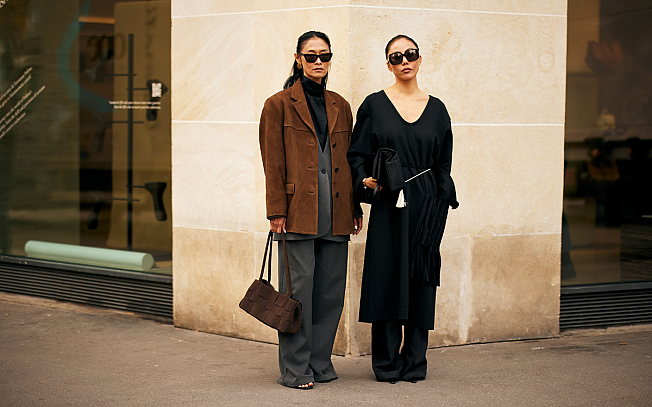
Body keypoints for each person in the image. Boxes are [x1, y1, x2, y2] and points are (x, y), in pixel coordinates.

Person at [347, 34, 459, 383]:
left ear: (420, 59)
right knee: (386, 276)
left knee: (420, 278)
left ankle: (414, 362)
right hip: (388, 202)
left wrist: (440, 200)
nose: (404, 61)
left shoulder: (437, 109)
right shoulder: (374, 105)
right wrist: (365, 181)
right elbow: (356, 155)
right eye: (396, 57)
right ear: (388, 65)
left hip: (426, 204)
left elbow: (443, 163)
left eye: (410, 54)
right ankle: (385, 363)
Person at [258, 31, 362, 390]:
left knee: (330, 294)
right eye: (311, 55)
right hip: (296, 212)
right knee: (297, 294)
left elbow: (349, 161)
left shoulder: (340, 105)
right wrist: (276, 210)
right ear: (298, 59)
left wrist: (354, 207)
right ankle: (295, 370)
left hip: (336, 211)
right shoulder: (278, 104)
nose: (319, 62)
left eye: (324, 55)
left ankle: (319, 363)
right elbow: (272, 162)